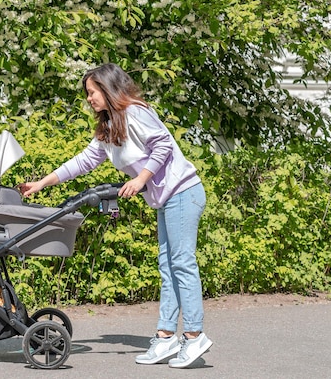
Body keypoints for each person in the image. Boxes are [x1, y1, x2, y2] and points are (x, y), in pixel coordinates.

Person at [18, 63, 213, 368]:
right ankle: (165, 338)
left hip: (182, 192)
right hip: (168, 198)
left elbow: (163, 145)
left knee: (181, 263)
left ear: (108, 89)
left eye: (92, 92)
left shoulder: (135, 112)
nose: (89, 99)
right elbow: (83, 161)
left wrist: (140, 179)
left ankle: (194, 335)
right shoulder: (111, 126)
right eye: (87, 93)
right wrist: (42, 183)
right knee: (168, 266)